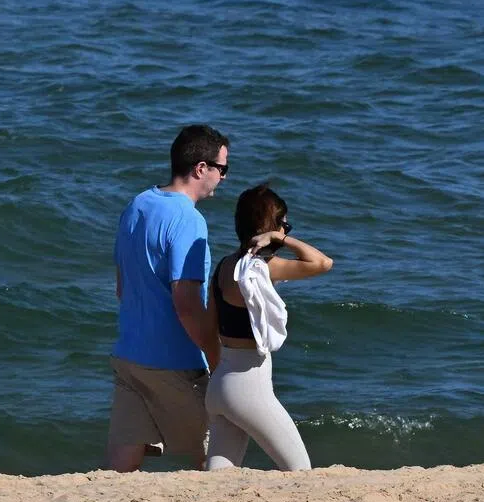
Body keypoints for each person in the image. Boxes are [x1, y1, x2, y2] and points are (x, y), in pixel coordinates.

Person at [106, 124, 229, 472]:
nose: (224, 178)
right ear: (201, 168)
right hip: (174, 363)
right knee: (218, 446)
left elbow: (121, 287)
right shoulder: (189, 220)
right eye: (222, 169)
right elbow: (186, 302)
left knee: (120, 467)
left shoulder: (137, 205)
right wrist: (215, 356)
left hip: (129, 354)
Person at [205, 183, 332, 471]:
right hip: (249, 387)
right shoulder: (264, 267)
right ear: (268, 227)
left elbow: (208, 324)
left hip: (220, 382)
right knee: (301, 470)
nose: (286, 229)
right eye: (283, 224)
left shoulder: (225, 266)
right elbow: (323, 263)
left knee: (217, 481)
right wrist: (279, 238)